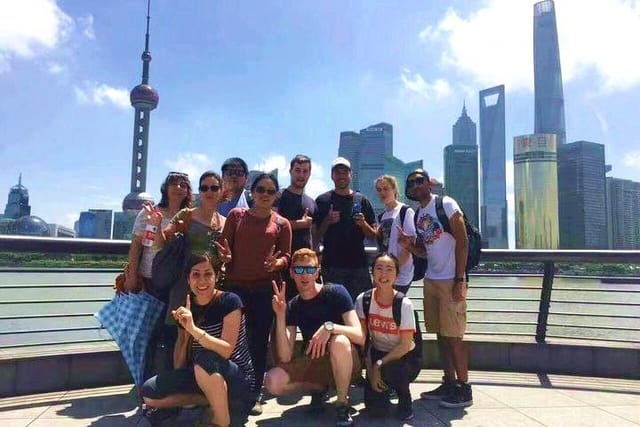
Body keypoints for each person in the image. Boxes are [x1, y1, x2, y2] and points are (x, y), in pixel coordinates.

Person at [141, 253, 255, 427]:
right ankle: (212, 402)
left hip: (237, 377)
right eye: (196, 275)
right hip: (202, 373)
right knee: (149, 392)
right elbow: (181, 352)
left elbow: (226, 350)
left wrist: (194, 329)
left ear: (217, 276)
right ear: (188, 279)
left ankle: (221, 421)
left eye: (208, 274)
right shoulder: (187, 306)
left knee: (204, 358)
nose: (202, 281)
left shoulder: (230, 302)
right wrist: (185, 333)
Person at [264, 248, 364, 427]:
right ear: (292, 273)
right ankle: (319, 388)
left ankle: (342, 404)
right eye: (299, 270)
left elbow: (359, 335)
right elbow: (286, 356)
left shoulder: (336, 292)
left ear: (317, 272)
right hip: (316, 360)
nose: (305, 275)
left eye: (310, 270)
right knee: (273, 382)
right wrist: (280, 315)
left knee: (339, 342)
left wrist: (331, 328)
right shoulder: (293, 305)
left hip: (347, 361)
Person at [398, 168, 473, 408]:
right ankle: (449, 383)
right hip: (431, 279)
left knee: (454, 337)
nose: (416, 185)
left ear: (429, 183)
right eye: (411, 183)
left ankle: (464, 388)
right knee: (441, 335)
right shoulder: (420, 214)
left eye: (420, 180)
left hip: (452, 279)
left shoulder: (446, 203)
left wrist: (460, 279)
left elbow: (463, 241)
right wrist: (408, 246)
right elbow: (426, 250)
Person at [220, 172, 292, 416]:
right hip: (235, 289)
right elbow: (223, 247)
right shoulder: (236, 216)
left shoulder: (282, 223)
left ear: (276, 196)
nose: (265, 195)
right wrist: (225, 257)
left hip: (264, 289)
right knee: (232, 342)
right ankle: (229, 389)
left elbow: (287, 256)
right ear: (252, 191)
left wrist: (278, 264)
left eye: (270, 191)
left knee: (259, 343)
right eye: (261, 189)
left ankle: (254, 393)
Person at [126, 171, 193, 379]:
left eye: (183, 185)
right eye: (174, 184)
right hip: (149, 279)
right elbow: (136, 245)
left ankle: (167, 379)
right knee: (148, 333)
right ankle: (145, 381)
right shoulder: (149, 213)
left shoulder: (190, 216)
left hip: (178, 283)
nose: (178, 188)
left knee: (172, 333)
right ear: (165, 187)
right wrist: (132, 274)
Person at [355, 253, 421, 422]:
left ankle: (404, 399)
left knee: (393, 369)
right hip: (377, 351)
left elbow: (406, 345)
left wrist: (378, 365)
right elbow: (364, 341)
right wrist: (371, 370)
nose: (383, 275)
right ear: (372, 273)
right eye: (379, 268)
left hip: (404, 357)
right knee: (375, 412)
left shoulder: (403, 303)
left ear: (397, 275)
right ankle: (382, 390)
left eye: (389, 269)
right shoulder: (364, 300)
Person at [158, 171, 229, 323]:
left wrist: (227, 258)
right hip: (185, 284)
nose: (209, 192)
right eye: (204, 188)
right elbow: (162, 243)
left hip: (212, 285)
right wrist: (156, 225)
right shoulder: (187, 215)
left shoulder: (225, 222)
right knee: (180, 334)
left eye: (214, 188)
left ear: (221, 191)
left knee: (206, 332)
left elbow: (228, 256)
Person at [313, 157, 376, 301]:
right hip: (331, 266)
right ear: (332, 175)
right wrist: (327, 222)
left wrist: (363, 224)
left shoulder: (362, 200)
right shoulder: (322, 201)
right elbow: (314, 237)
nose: (341, 175)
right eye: (337, 172)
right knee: (334, 309)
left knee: (362, 308)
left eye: (344, 172)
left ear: (351, 175)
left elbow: (374, 236)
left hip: (358, 266)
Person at [274, 154, 317, 300]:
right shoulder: (278, 197)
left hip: (306, 267)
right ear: (290, 171)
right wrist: (298, 224)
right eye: (298, 170)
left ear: (309, 174)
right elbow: (271, 224)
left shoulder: (311, 202)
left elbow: (314, 233)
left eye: (305, 171)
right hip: (282, 265)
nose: (301, 175)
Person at [374, 175, 416, 295]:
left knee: (396, 307)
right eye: (379, 190)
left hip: (401, 275)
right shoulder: (382, 216)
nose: (382, 192)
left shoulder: (405, 211)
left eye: (386, 188)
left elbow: (408, 247)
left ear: (394, 190)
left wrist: (394, 271)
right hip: (385, 274)